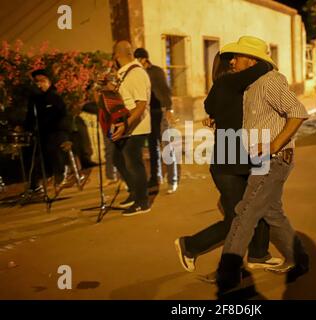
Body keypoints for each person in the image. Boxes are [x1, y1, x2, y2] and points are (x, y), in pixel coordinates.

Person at [214, 36, 310, 297]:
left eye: (238, 56)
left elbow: (298, 112)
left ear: (253, 60)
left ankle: (227, 277)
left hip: (274, 159)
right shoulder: (250, 84)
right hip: (261, 159)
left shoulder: (270, 81)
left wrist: (274, 145)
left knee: (245, 212)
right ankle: (299, 260)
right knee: (272, 213)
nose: (232, 61)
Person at [174, 51, 283, 277]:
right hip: (229, 165)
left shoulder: (235, 89)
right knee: (238, 218)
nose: (236, 62)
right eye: (234, 59)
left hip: (244, 160)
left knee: (260, 206)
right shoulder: (229, 83)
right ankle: (191, 245)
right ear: (229, 66)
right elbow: (264, 68)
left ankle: (258, 254)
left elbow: (211, 108)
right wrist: (262, 57)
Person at [110, 40, 152, 216]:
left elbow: (141, 104)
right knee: (118, 159)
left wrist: (125, 125)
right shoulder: (125, 73)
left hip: (135, 127)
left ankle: (143, 203)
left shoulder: (135, 73)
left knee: (134, 164)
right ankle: (135, 194)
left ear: (117, 56)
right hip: (126, 125)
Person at [134, 48, 179, 194]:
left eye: (138, 59)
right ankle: (155, 177)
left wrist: (169, 110)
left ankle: (173, 180)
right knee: (152, 148)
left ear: (144, 59)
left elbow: (165, 92)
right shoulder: (139, 74)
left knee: (166, 147)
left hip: (160, 112)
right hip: (148, 115)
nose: (136, 62)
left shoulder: (156, 72)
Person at [23, 69, 73, 193]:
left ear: (49, 82)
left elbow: (64, 116)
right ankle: (34, 183)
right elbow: (30, 117)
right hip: (41, 132)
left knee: (53, 145)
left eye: (43, 81)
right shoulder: (34, 99)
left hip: (57, 131)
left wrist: (65, 133)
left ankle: (60, 173)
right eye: (37, 82)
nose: (40, 84)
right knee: (32, 152)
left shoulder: (55, 97)